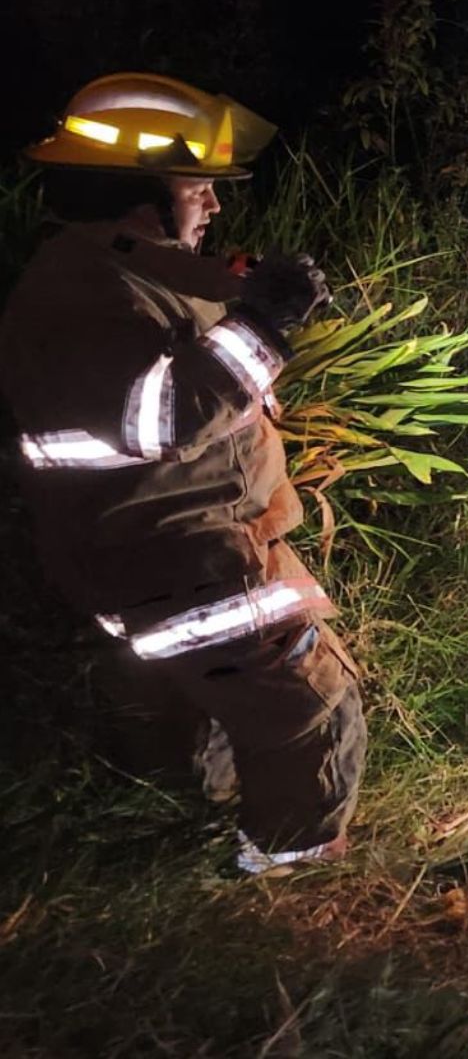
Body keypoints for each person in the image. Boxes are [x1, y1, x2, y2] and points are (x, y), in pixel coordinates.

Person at [0, 73, 364, 875]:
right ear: (140, 193)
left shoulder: (129, 267)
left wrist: (248, 299)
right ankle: (292, 889)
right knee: (312, 711)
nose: (214, 205)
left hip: (168, 551)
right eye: (199, 187)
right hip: (178, 554)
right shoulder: (83, 291)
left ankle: (186, 866)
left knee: (195, 731)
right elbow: (158, 417)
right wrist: (263, 326)